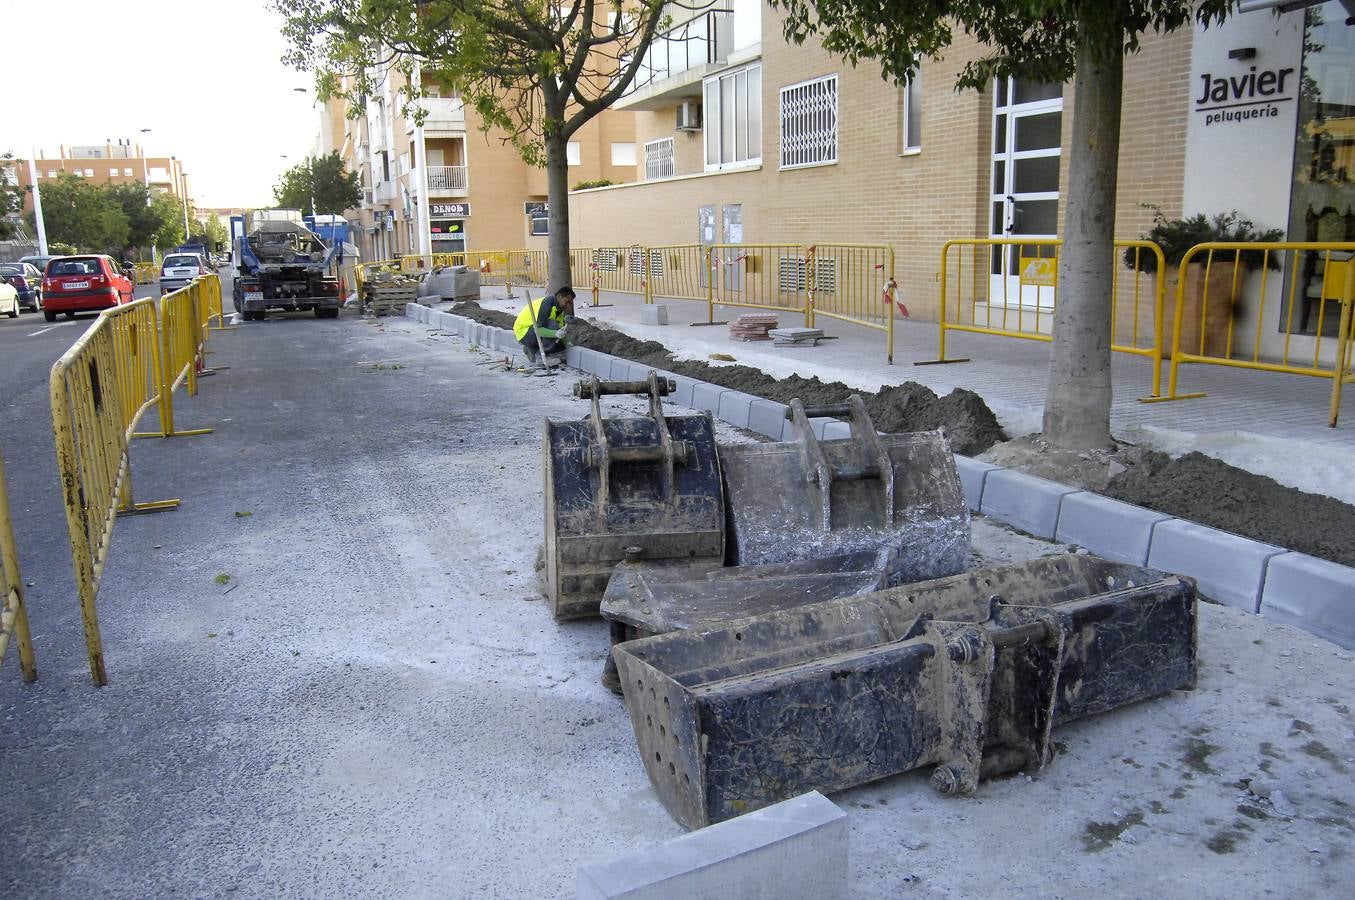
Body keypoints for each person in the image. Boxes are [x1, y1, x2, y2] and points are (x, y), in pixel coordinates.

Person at [514, 286, 576, 360]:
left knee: (560, 346)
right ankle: (540, 357)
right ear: (559, 296)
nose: (568, 306)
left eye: (570, 303)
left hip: (531, 332)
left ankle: (531, 349)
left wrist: (568, 343)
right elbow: (538, 330)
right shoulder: (546, 304)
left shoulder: (559, 309)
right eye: (566, 301)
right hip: (524, 332)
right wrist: (555, 333)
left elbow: (560, 330)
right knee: (553, 325)